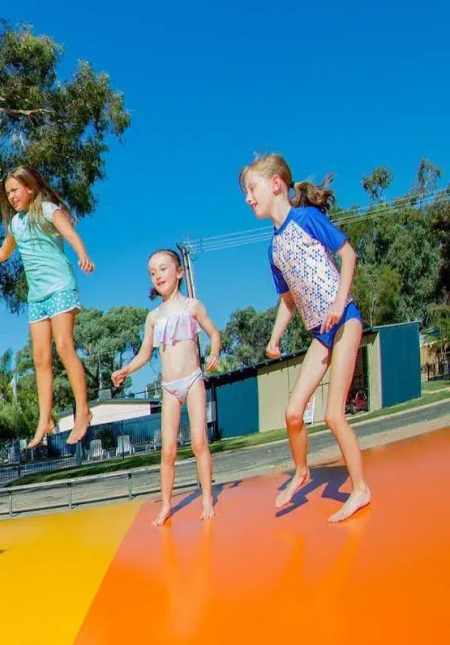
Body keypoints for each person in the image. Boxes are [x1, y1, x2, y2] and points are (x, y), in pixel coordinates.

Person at [240, 152, 370, 523]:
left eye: (252, 189)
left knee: (333, 415)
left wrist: (340, 302)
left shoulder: (307, 220)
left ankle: (360, 489)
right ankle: (301, 472)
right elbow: (287, 303)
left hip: (344, 320)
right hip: (321, 334)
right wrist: (274, 337)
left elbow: (348, 254)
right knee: (293, 414)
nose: (248, 198)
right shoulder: (273, 249)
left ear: (276, 184)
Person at [0, 167, 96, 446]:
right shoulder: (16, 223)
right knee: (40, 359)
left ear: (29, 188)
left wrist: (83, 255)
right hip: (37, 297)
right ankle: (45, 420)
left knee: (64, 346)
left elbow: (71, 234)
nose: (11, 197)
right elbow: (3, 254)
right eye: (8, 193)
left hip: (60, 288)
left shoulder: (49, 210)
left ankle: (83, 411)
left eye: (15, 190)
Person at [112, 249, 222, 525]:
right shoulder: (154, 317)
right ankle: (166, 506)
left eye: (163, 269)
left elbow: (214, 333)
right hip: (169, 387)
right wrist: (126, 369)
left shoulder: (192, 307)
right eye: (152, 272)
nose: (158, 275)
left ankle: (207, 498)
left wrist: (214, 353)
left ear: (179, 272)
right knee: (168, 451)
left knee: (199, 441)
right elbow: (144, 354)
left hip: (193, 380)